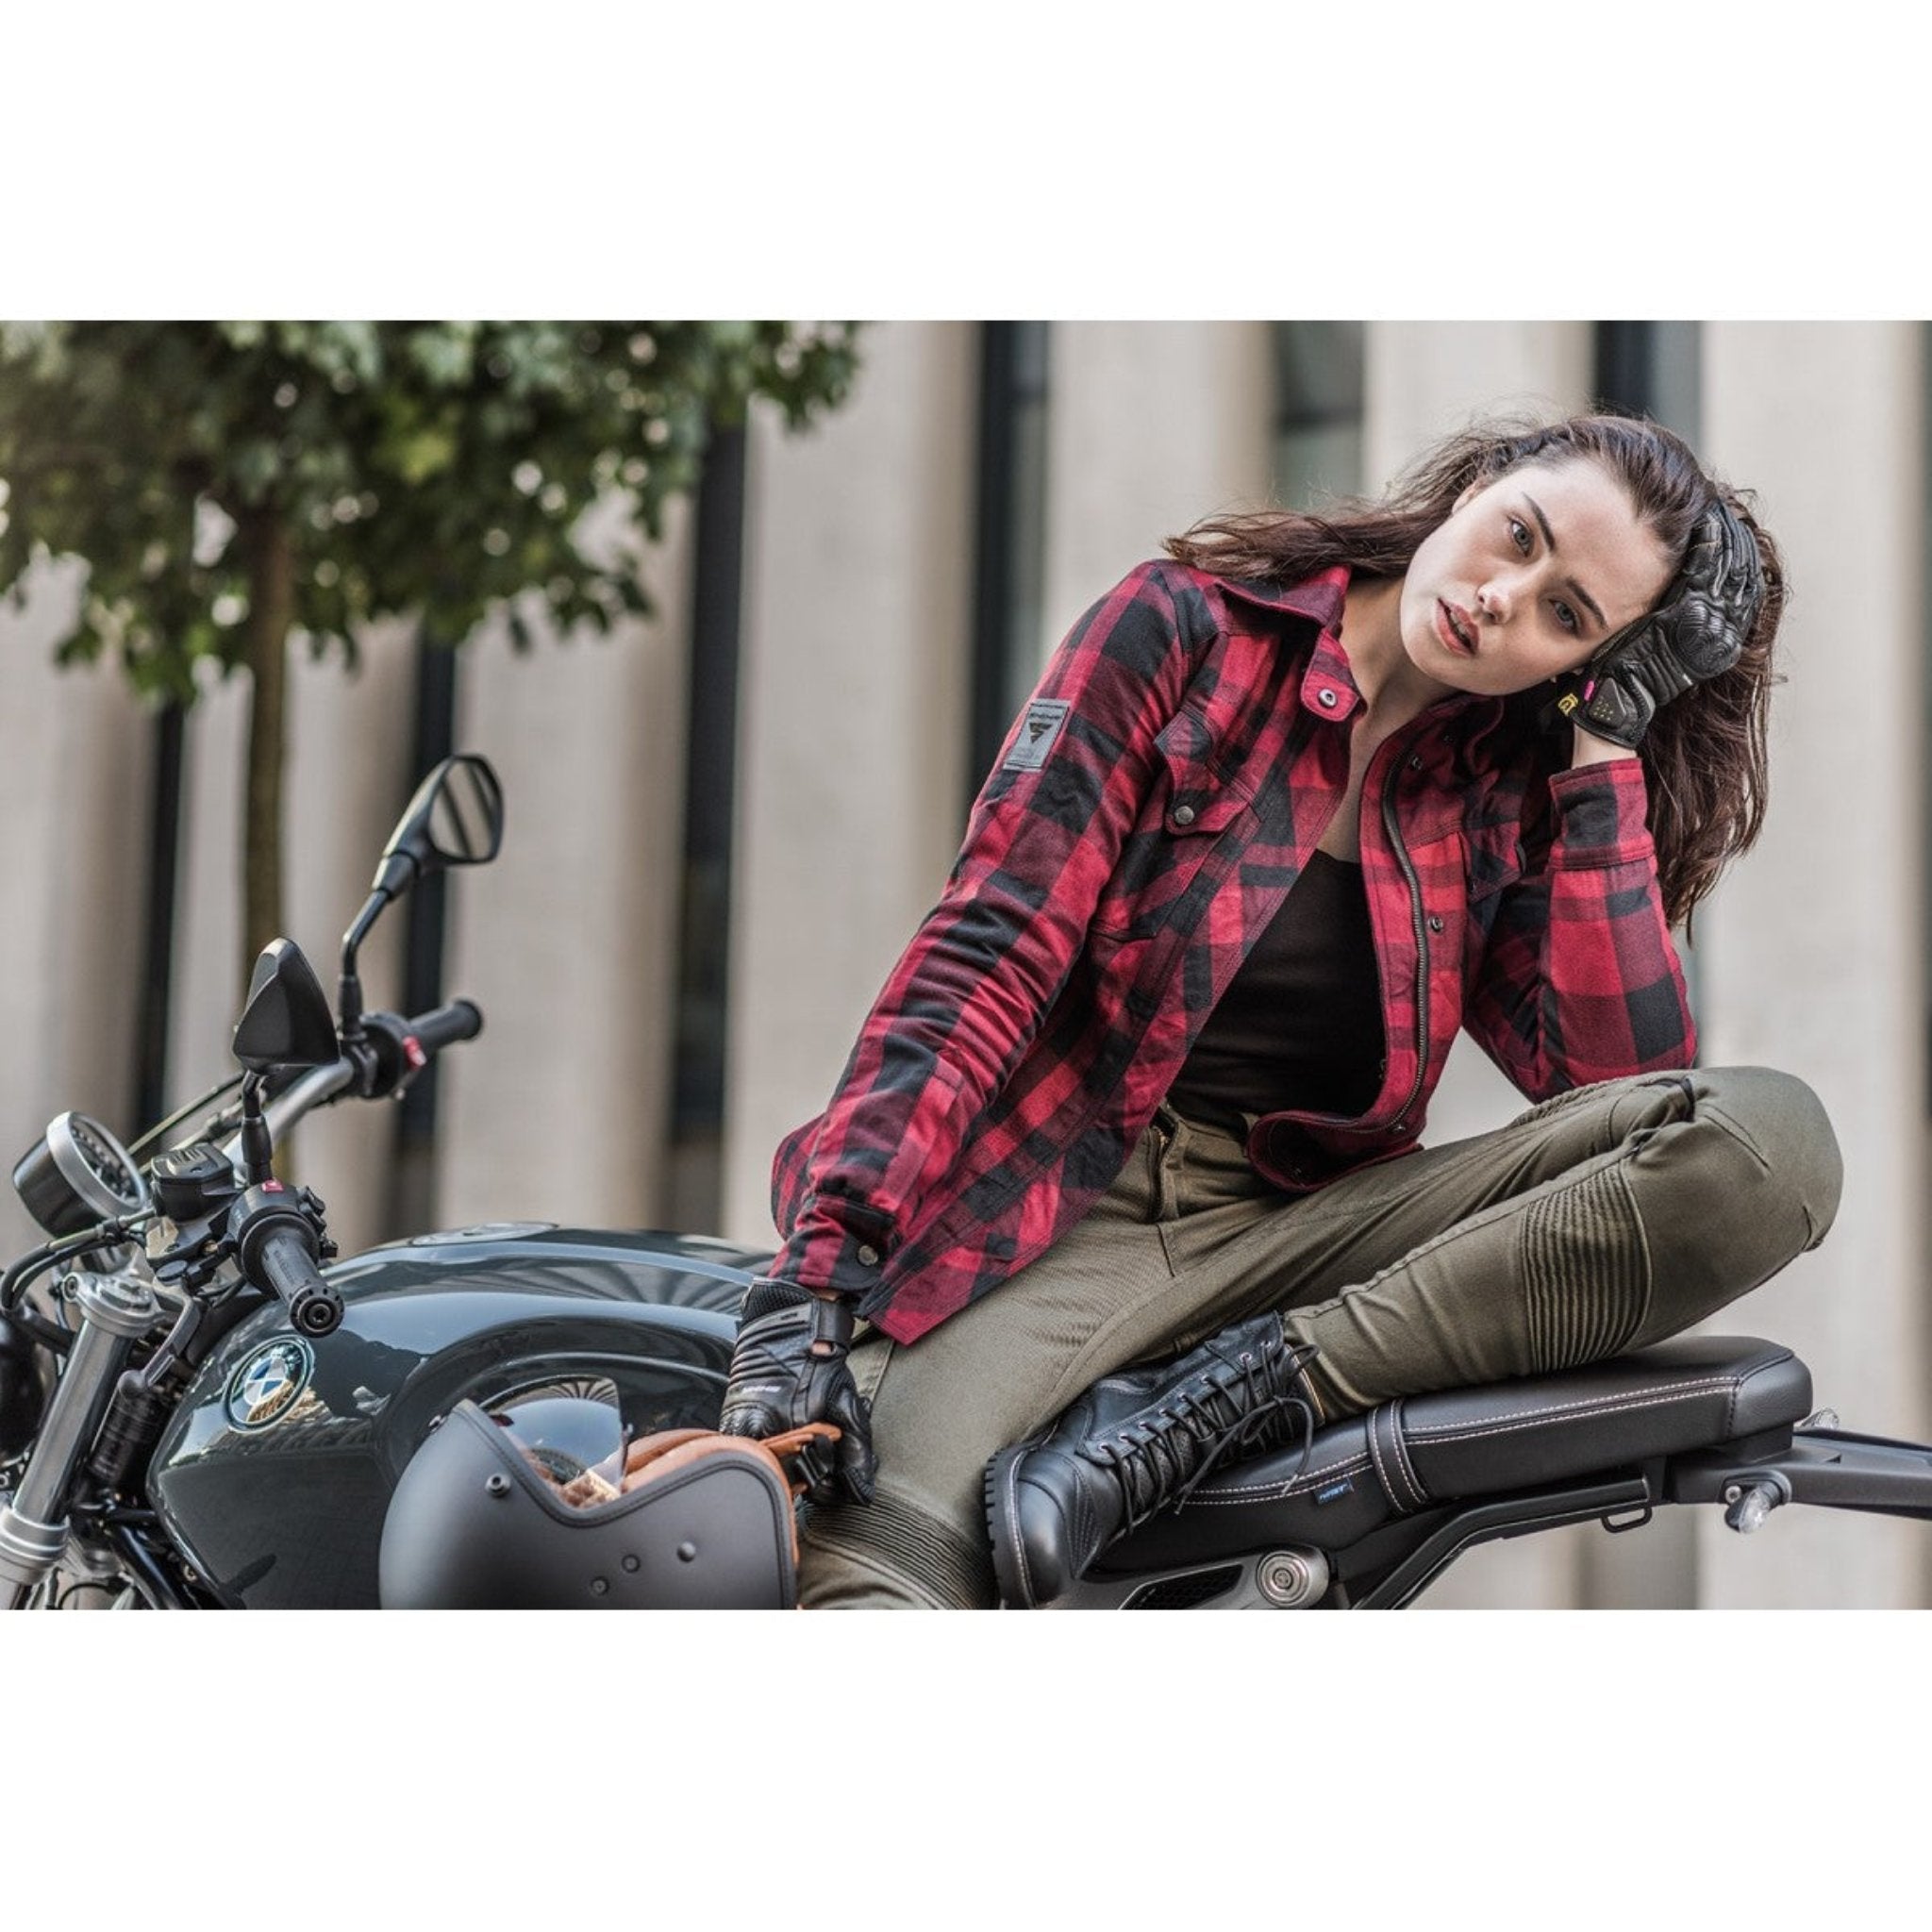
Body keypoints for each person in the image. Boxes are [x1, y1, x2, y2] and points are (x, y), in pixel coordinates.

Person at [717, 409, 1844, 1609]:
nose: (1502, 597)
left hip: (1301, 1249)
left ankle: (1233, 1392)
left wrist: (1604, 750)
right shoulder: (1184, 630)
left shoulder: (1507, 786)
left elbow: (1617, 1095)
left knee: (1765, 1147)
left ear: (1586, 664)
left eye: (1566, 614)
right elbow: (989, 951)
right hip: (1054, 1216)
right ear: (1476, 485)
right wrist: (815, 1280)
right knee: (871, 1587)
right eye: (1515, 536)